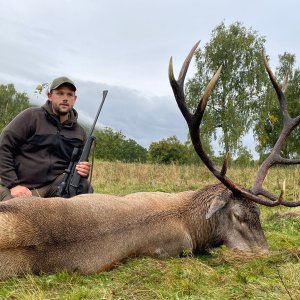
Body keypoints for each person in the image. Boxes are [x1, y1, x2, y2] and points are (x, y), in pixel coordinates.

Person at [0, 76, 92, 201]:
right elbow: (3, 147)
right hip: (21, 187)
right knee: (16, 215)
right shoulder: (31, 117)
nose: (65, 98)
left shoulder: (80, 132)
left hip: (54, 187)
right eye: (60, 93)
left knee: (84, 187)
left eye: (69, 95)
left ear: (74, 99)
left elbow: (77, 166)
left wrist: (83, 171)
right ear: (50, 96)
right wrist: (13, 185)